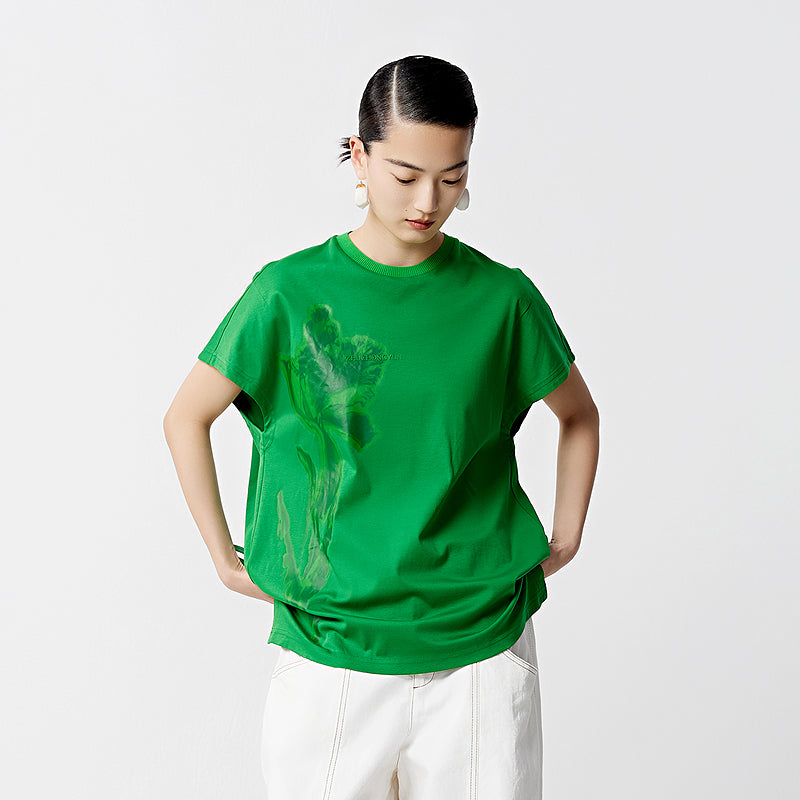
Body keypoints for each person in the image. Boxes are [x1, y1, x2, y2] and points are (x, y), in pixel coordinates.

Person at [163, 54, 600, 800]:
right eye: (406, 175)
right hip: (331, 645)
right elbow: (186, 416)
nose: (429, 201)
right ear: (359, 157)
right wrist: (222, 555)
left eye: (453, 177)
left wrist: (567, 535)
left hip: (479, 648)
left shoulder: (502, 300)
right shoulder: (288, 293)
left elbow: (579, 415)